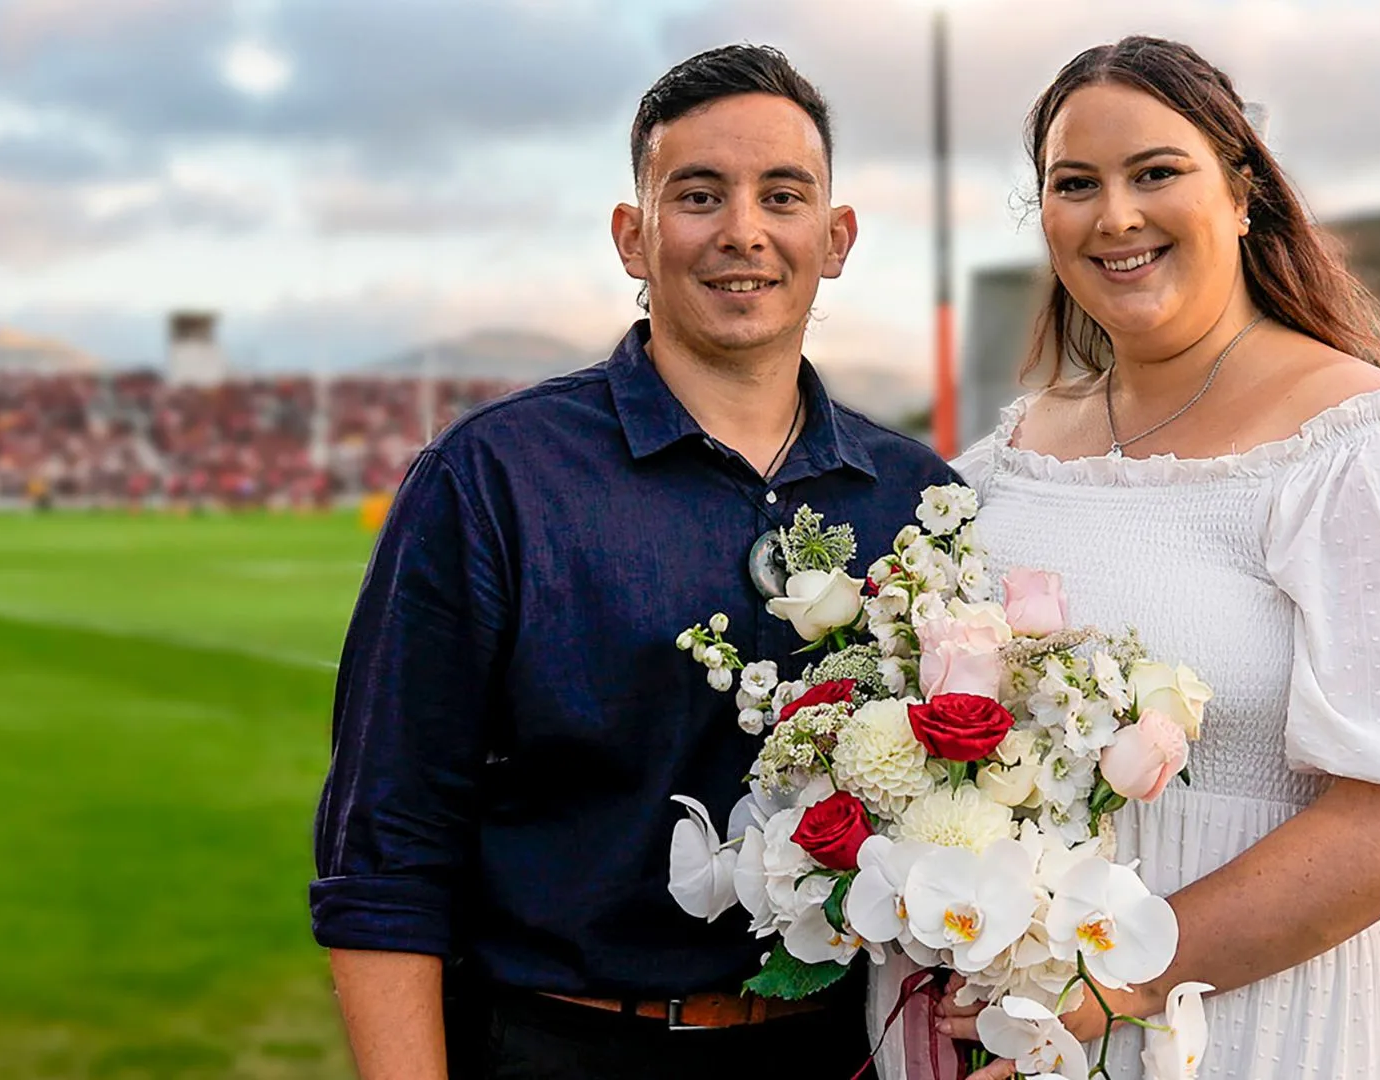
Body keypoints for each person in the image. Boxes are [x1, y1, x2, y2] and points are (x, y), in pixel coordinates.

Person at [310, 44, 959, 1080]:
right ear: (633, 235)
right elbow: (386, 843)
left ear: (834, 238)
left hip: (837, 1048)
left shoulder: (916, 498)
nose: (743, 231)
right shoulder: (493, 477)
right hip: (557, 1042)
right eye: (698, 195)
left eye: (781, 195)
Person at [931, 37, 1380, 1079]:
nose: (1115, 215)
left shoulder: (1364, 448)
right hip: (1006, 1026)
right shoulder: (1007, 462)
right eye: (1074, 184)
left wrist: (1116, 983)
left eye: (1156, 172)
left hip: (1253, 1025)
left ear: (1242, 193)